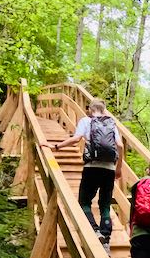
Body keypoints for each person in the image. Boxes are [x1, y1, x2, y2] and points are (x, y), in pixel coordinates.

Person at [52, 99, 127, 250]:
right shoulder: (111, 123)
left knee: (84, 202)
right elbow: (120, 145)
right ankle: (106, 239)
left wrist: (56, 146)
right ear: (104, 109)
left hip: (92, 167)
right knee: (105, 205)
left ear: (90, 109)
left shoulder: (86, 121)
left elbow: (76, 139)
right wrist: (118, 168)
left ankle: (95, 230)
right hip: (109, 169)